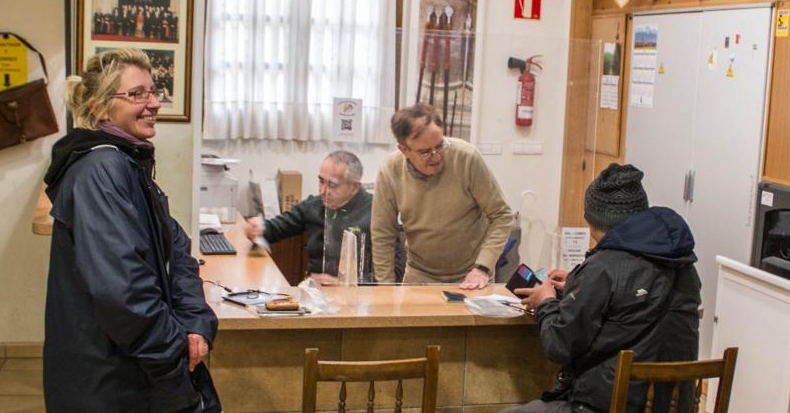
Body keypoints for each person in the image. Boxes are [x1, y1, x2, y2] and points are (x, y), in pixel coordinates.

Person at [43, 49, 217, 412]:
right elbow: (122, 293)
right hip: (109, 382)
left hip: (135, 370)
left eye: (154, 92)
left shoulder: (127, 162)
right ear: (101, 107)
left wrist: (195, 322)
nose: (153, 103)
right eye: (137, 94)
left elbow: (177, 248)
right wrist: (174, 352)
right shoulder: (99, 171)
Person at [508, 163, 701, 413]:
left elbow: (558, 346)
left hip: (608, 406)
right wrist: (580, 286)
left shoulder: (603, 267)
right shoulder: (684, 264)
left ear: (595, 220)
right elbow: (635, 303)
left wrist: (545, 302)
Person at [372, 103, 513, 289]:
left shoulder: (467, 157)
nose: (436, 156)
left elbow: (501, 215)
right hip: (419, 275)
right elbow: (382, 233)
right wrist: (386, 289)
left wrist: (483, 267)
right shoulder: (390, 170)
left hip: (472, 273)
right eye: (425, 152)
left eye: (440, 146)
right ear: (404, 149)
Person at [246, 151, 372, 285]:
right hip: (315, 293)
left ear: (354, 187)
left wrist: (347, 284)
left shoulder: (376, 213)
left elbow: (390, 276)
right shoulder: (315, 205)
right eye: (321, 181)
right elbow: (278, 227)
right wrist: (260, 227)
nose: (323, 191)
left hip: (359, 297)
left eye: (332, 185)